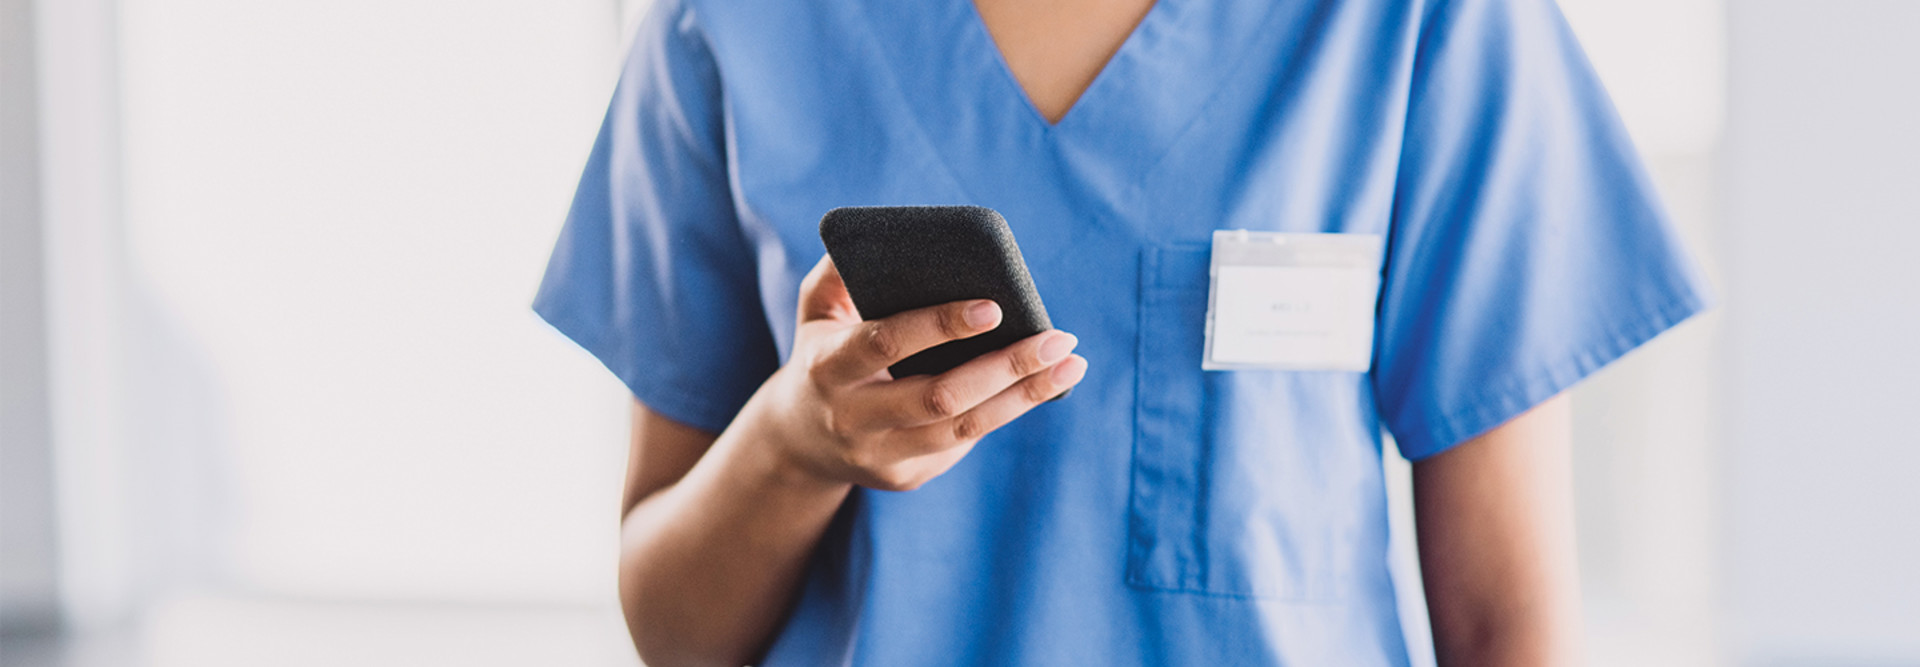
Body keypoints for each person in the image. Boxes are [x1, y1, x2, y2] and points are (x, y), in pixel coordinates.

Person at [532, 0, 1710, 664]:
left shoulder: (1419, 23)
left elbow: (1509, 622)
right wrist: (797, 441)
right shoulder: (736, 24)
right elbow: (676, 631)